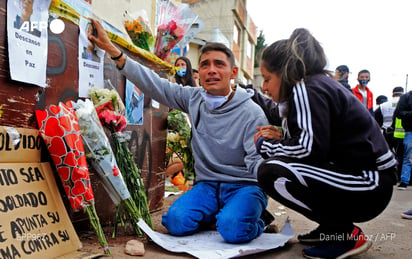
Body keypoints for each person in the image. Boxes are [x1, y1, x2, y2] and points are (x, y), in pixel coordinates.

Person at [88, 19, 271, 244]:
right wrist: (112, 49)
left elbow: (258, 164)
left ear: (233, 72)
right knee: (175, 222)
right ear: (198, 73)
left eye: (219, 64)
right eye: (205, 65)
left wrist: (267, 188)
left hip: (245, 186)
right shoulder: (195, 99)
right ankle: (221, 214)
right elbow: (155, 85)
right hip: (208, 186)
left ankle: (257, 220)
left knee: (233, 229)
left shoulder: (252, 113)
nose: (211, 70)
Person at [253, 28, 397, 259]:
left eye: (267, 79)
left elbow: (309, 149)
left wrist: (264, 145)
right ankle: (332, 230)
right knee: (280, 165)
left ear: (284, 73)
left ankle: (344, 233)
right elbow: (318, 141)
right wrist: (281, 138)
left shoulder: (304, 88)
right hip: (369, 181)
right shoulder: (313, 86)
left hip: (369, 184)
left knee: (271, 172)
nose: (264, 87)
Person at [393, 89, 412, 190]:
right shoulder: (406, 97)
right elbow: (399, 113)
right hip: (410, 131)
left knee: (407, 158)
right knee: (408, 157)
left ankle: (405, 181)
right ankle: (404, 181)